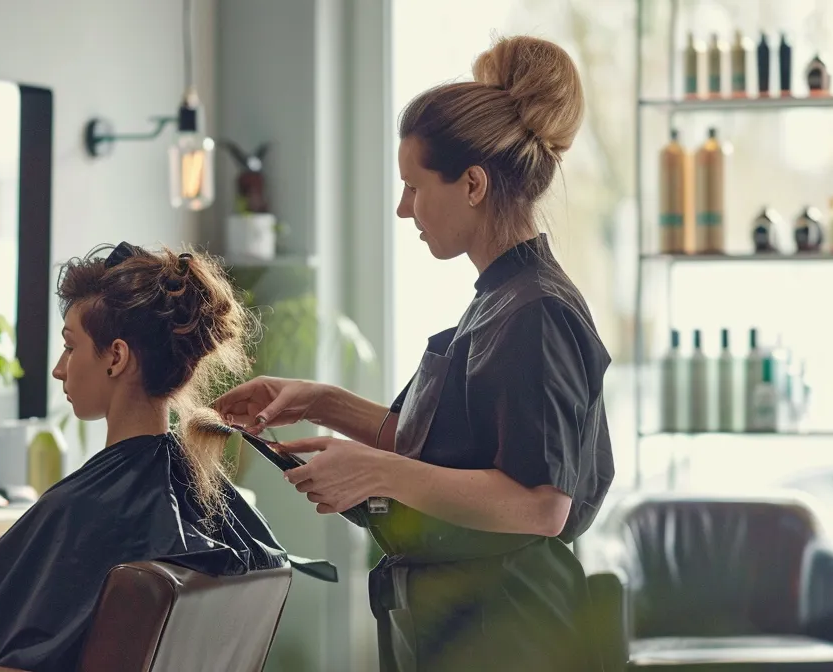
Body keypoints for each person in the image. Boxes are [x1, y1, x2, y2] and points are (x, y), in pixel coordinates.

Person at [214, 35, 613, 672]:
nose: (404, 210)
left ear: (474, 184)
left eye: (414, 187)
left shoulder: (536, 311)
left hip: (514, 634)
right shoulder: (500, 299)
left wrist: (377, 473)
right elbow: (449, 450)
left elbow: (542, 504)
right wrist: (321, 402)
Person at [0, 242, 288, 672]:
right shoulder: (210, 504)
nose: (59, 368)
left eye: (70, 347)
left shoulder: (85, 507)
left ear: (115, 357)